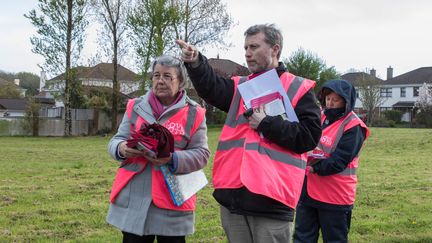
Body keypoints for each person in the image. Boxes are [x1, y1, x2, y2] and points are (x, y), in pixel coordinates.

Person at [176, 24, 322, 243]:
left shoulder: (298, 88)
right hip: (234, 197)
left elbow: (308, 137)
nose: (247, 53)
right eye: (245, 47)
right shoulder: (240, 86)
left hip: (272, 200)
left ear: (275, 49)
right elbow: (211, 86)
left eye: (254, 46)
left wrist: (266, 123)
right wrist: (196, 62)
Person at [106, 55, 210, 243]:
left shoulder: (194, 113)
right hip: (135, 197)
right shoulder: (135, 106)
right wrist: (122, 148)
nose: (160, 81)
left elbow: (202, 155)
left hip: (173, 200)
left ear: (180, 83)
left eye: (167, 76)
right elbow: (117, 140)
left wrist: (171, 158)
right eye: (156, 75)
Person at [293, 79, 370, 243]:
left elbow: (340, 160)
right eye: (328, 98)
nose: (330, 103)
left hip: (335, 197)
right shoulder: (318, 117)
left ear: (346, 101)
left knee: (334, 240)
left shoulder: (354, 126)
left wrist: (314, 167)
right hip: (308, 192)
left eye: (335, 99)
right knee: (302, 238)